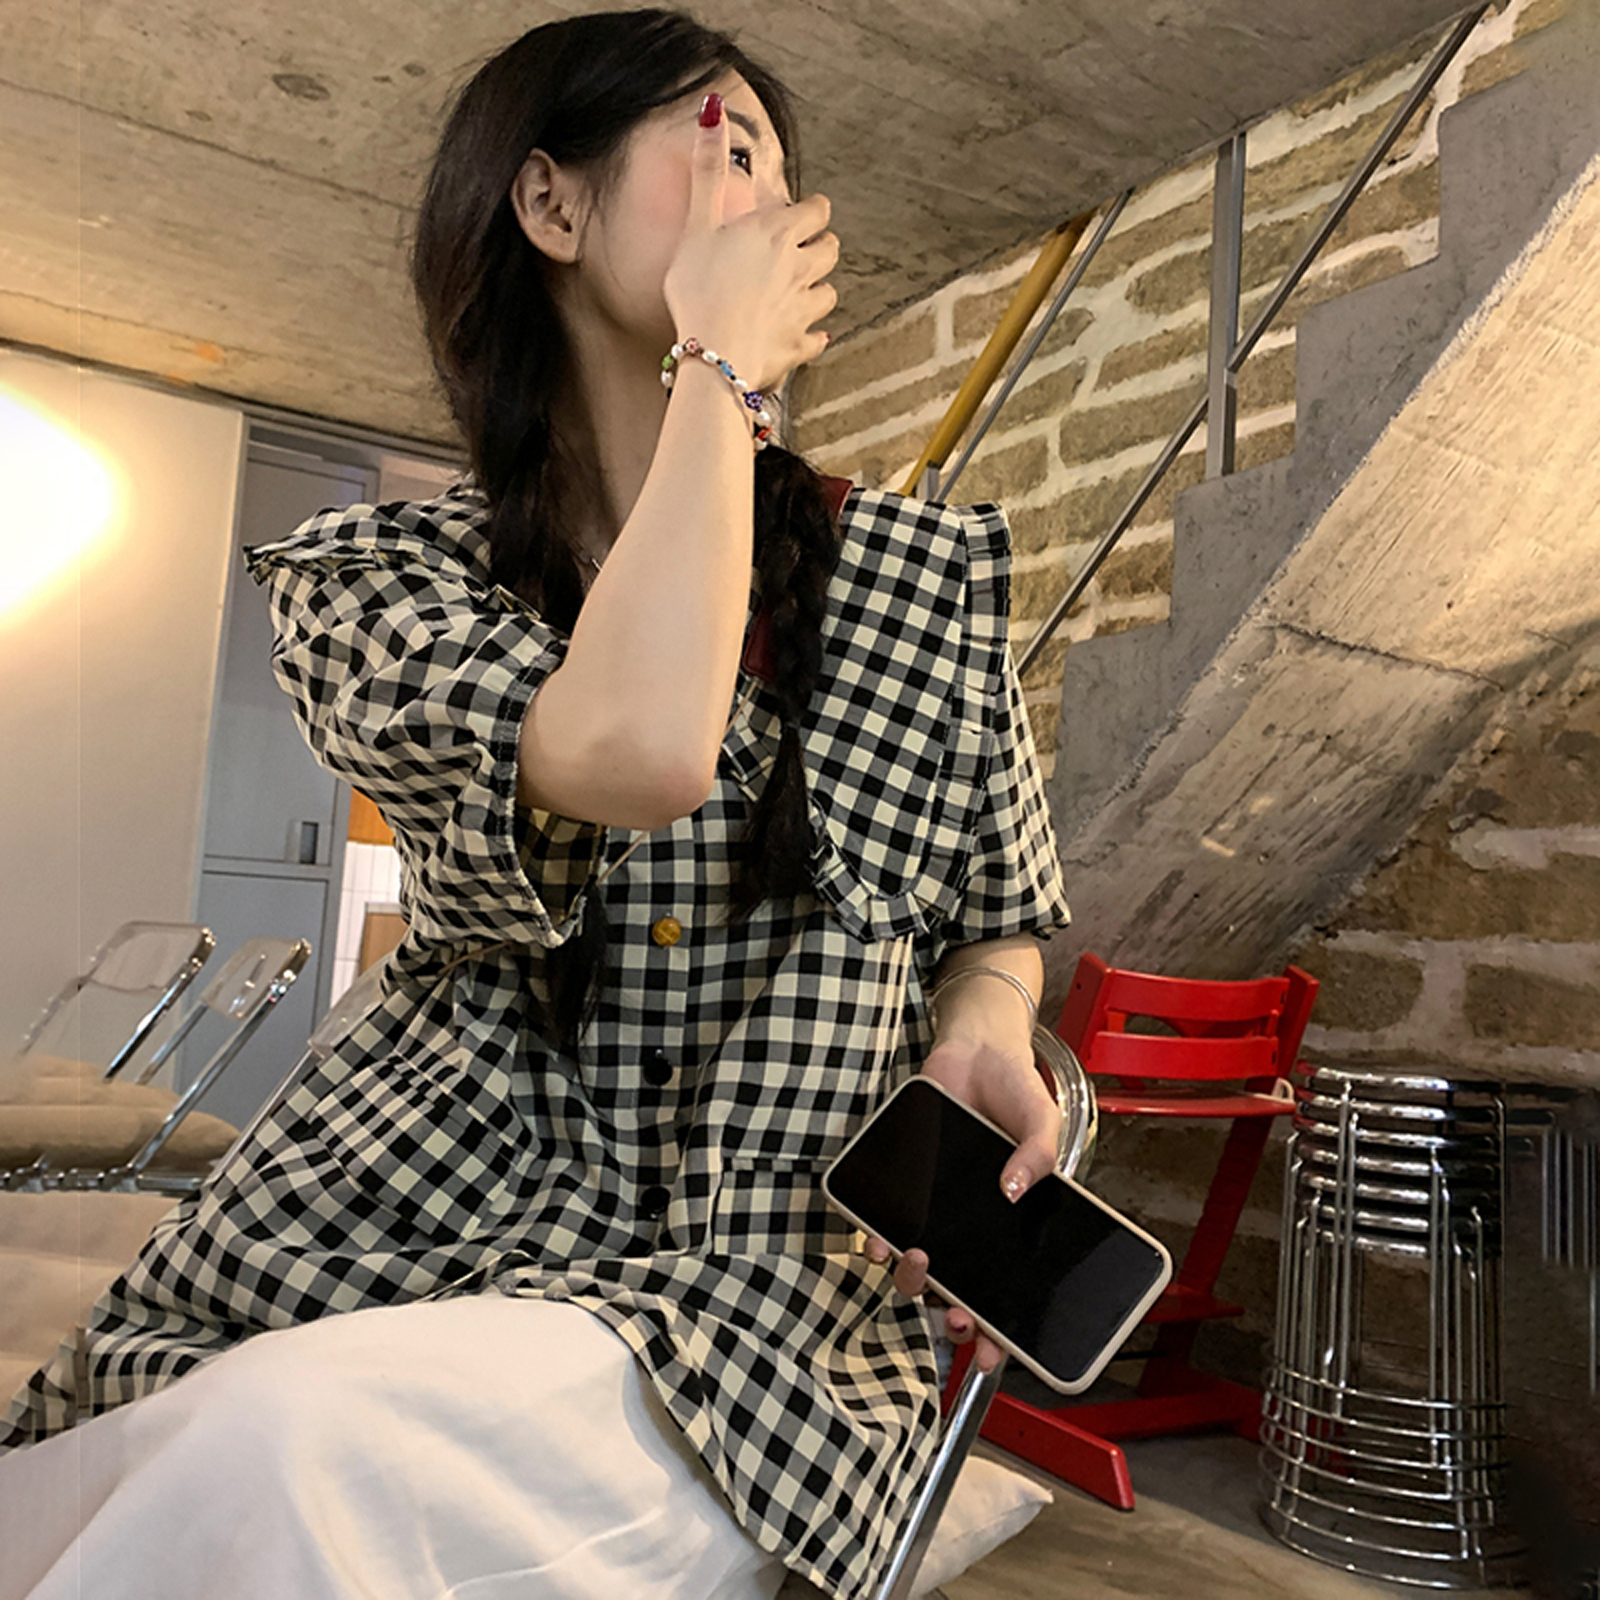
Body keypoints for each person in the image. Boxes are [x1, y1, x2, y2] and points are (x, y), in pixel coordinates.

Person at [0, 10, 1069, 1598]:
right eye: (721, 144)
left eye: (777, 168)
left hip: (749, 1302)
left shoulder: (923, 582)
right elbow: (641, 745)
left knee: (286, 1459)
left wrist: (983, 1024)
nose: (764, 196)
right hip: (390, 1226)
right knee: (131, 1479)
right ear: (553, 205)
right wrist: (717, 370)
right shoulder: (378, 580)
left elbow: (998, 912)